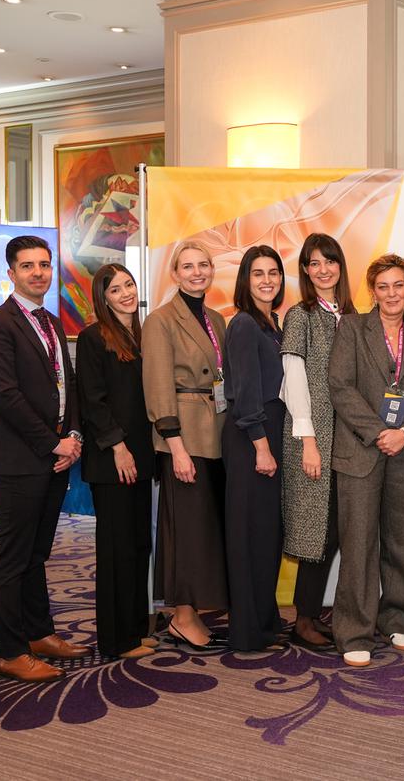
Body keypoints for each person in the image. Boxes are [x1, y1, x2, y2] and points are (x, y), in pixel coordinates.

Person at [0, 235, 91, 682]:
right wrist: (52, 443)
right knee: (13, 557)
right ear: (11, 274)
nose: (38, 273)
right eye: (27, 266)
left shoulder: (51, 321)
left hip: (54, 454)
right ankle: (10, 652)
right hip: (20, 460)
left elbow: (68, 384)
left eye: (44, 264)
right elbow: (6, 397)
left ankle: (39, 634)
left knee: (38, 553)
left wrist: (73, 435)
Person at [328, 254, 404, 666]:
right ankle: (355, 632)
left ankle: (400, 618)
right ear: (373, 291)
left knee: (403, 539)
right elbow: (340, 386)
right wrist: (378, 431)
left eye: (398, 285)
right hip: (361, 450)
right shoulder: (352, 328)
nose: (391, 294)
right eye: (383, 287)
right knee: (359, 544)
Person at [143, 241, 228, 651]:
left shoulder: (216, 318)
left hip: (216, 433)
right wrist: (175, 447)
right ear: (174, 274)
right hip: (183, 438)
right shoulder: (160, 320)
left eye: (203, 265)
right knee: (185, 530)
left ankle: (191, 612)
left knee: (204, 529)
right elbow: (158, 387)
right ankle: (181, 615)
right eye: (188, 266)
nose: (197, 272)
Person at [280, 234, 355, 652]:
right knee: (314, 532)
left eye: (330, 261)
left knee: (336, 530)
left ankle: (315, 613)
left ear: (341, 266)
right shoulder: (301, 316)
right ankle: (303, 620)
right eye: (314, 263)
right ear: (306, 271)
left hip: (348, 439)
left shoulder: (351, 315)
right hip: (312, 437)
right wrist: (309, 440)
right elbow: (294, 381)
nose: (323, 269)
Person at [77, 264, 156, 660]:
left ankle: (136, 630)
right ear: (103, 298)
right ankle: (115, 640)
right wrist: (118, 447)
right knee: (116, 550)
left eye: (129, 285)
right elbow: (92, 401)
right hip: (113, 461)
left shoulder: (141, 335)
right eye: (115, 289)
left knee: (139, 544)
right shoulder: (93, 338)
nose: (126, 293)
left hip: (141, 456)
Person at [222, 246, 288, 653]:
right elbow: (245, 393)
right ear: (245, 279)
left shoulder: (272, 323)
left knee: (266, 534)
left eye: (273, 273)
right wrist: (261, 447)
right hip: (252, 438)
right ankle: (247, 631)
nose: (267, 280)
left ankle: (264, 621)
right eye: (258, 273)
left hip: (270, 432)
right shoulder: (244, 324)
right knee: (249, 536)